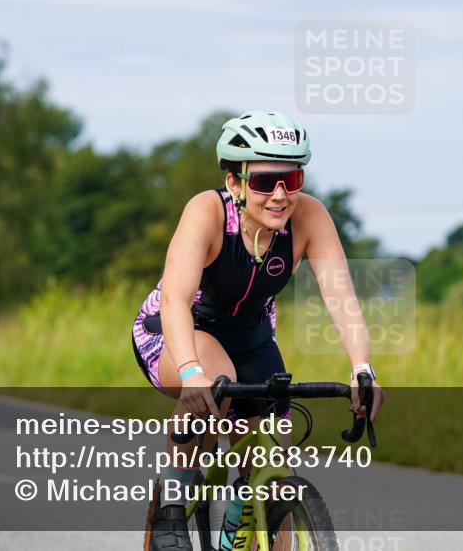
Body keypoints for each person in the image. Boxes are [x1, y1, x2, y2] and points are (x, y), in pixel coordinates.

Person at [132, 110, 385, 551]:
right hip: (179, 331)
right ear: (234, 182)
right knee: (215, 387)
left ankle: (244, 529)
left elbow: (341, 297)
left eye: (292, 178)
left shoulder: (309, 218)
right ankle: (172, 509)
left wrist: (362, 368)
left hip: (251, 339)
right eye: (265, 182)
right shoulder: (207, 212)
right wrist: (191, 374)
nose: (280, 195)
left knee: (271, 464)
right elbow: (175, 298)